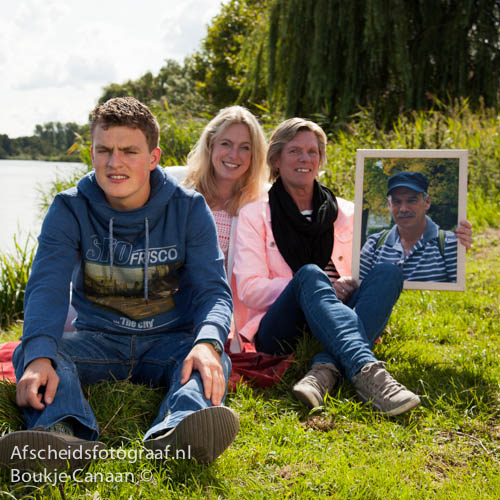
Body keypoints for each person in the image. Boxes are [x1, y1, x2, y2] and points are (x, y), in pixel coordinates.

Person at [0, 97, 238, 471]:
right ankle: (63, 433)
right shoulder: (69, 208)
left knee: (209, 360)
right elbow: (47, 287)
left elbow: (214, 292)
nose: (115, 163)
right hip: (98, 339)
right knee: (37, 352)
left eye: (129, 151)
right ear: (92, 154)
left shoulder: (189, 208)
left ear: (154, 157)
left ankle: (178, 431)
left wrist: (208, 341)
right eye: (104, 150)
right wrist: (39, 355)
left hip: (170, 340)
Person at [232, 118, 421, 416]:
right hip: (281, 325)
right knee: (309, 274)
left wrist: (451, 236)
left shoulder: (348, 211)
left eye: (312, 151)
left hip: (338, 313)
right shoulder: (254, 214)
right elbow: (249, 289)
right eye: (294, 151)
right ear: (277, 159)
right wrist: (319, 286)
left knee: (389, 272)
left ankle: (324, 369)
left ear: (320, 159)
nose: (305, 159)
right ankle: (366, 370)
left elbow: (396, 248)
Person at [184, 105, 269, 351]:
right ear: (211, 145)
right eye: (226, 144)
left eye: (245, 148)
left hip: (232, 314)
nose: (234, 155)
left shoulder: (260, 205)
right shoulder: (184, 195)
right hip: (180, 304)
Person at [359, 171, 472, 282]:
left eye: (411, 201)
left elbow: (458, 295)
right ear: (389, 205)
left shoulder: (449, 243)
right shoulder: (374, 244)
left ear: (427, 202)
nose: (403, 209)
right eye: (397, 202)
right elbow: (357, 289)